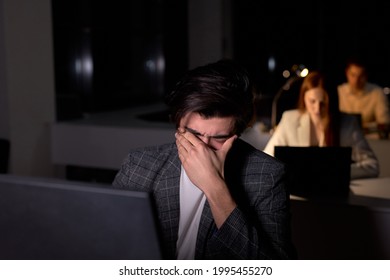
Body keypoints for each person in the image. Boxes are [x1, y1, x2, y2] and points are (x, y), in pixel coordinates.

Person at [112, 59, 296, 260]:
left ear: (238, 132)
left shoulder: (267, 176)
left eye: (219, 138)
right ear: (178, 123)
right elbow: (107, 243)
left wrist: (215, 187)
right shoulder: (138, 166)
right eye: (194, 134)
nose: (202, 148)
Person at [264, 71, 379, 180]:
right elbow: (267, 158)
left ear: (332, 101)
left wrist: (336, 172)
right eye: (312, 101)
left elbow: (372, 166)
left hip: (335, 194)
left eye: (323, 102)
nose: (317, 109)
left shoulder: (347, 123)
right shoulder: (290, 119)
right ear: (304, 98)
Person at [337, 57, 390, 133]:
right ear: (346, 73)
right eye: (353, 75)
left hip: (371, 140)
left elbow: (384, 123)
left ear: (366, 75)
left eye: (360, 76)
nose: (356, 80)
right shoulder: (339, 92)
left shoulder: (377, 93)